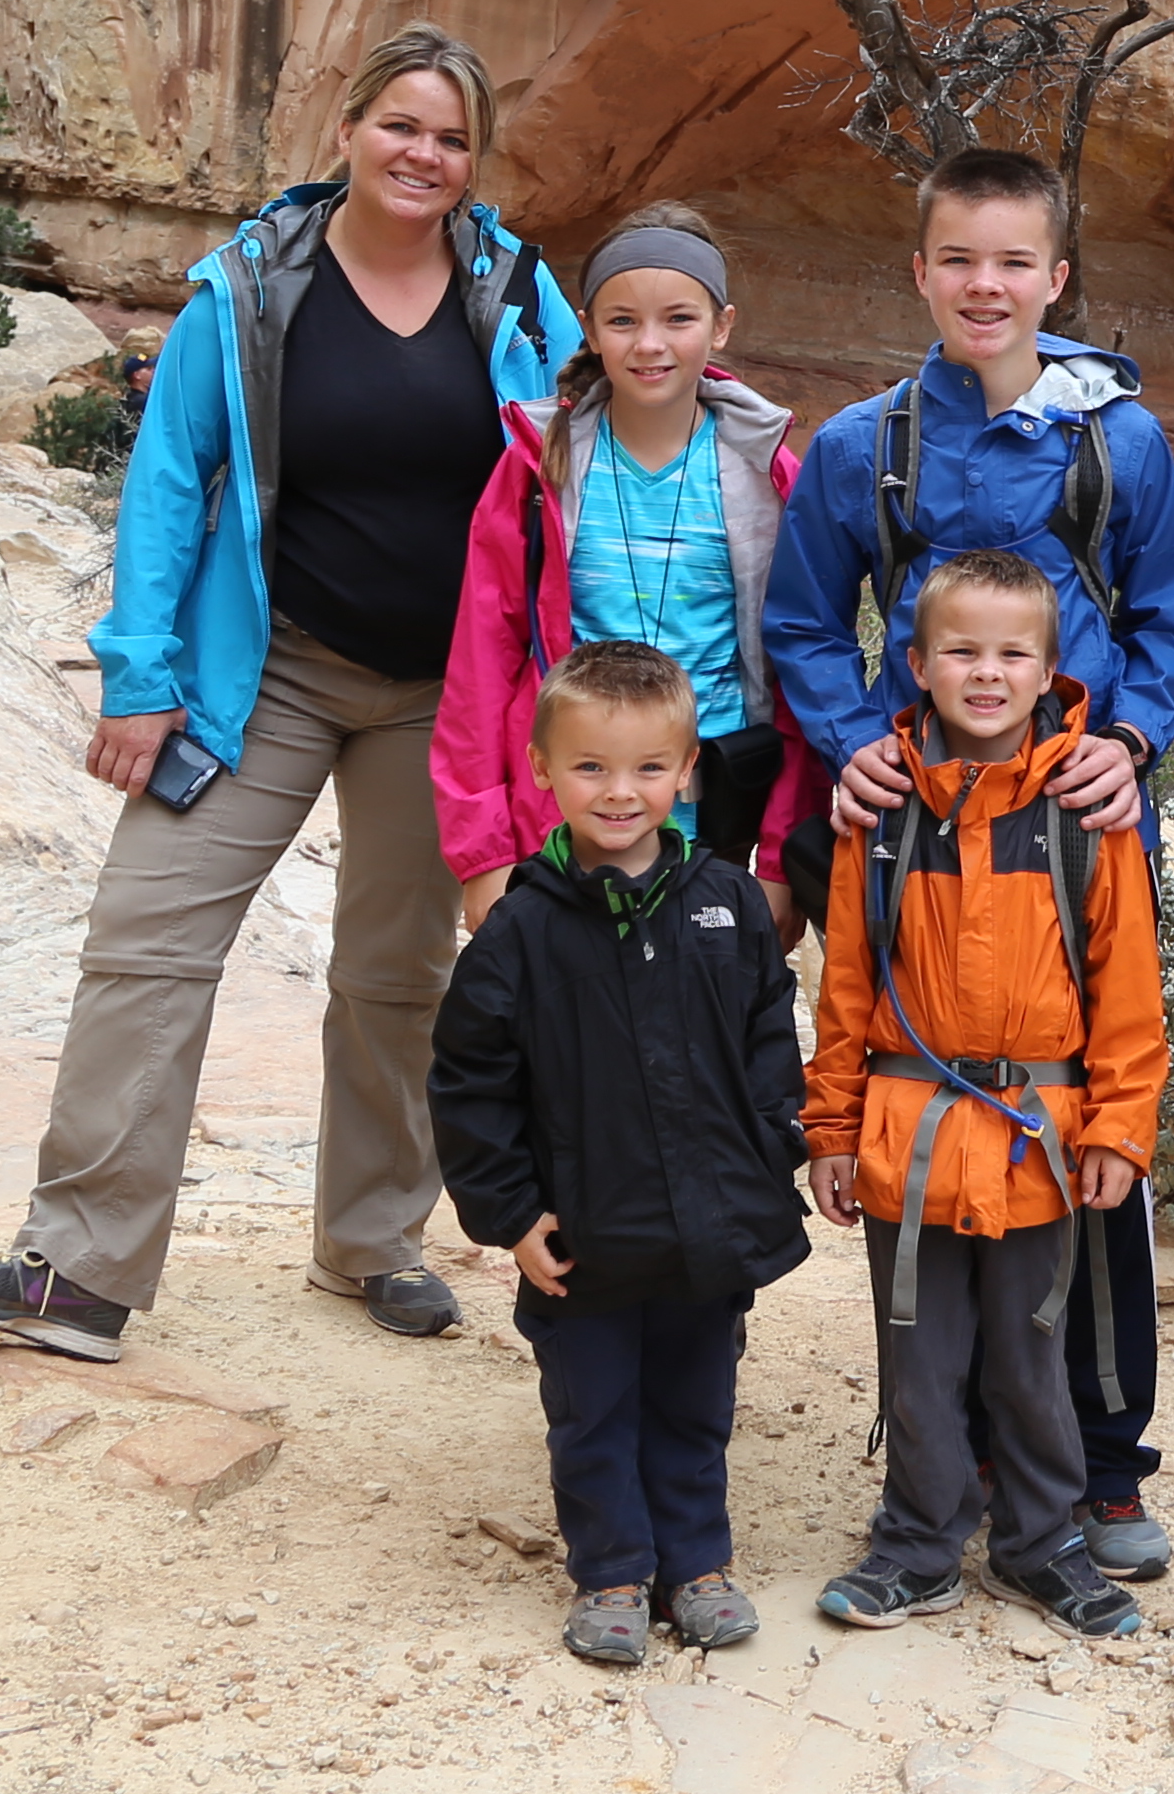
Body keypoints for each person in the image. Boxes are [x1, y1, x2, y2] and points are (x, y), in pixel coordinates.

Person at [0, 24, 576, 1362]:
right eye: (401, 125)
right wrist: (139, 679)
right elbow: (169, 482)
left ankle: (371, 1242)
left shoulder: (514, 292)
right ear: (349, 128)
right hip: (258, 676)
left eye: (451, 137)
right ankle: (80, 1273)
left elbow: (580, 464)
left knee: (401, 974)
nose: (423, 155)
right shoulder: (256, 283)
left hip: (442, 694)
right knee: (148, 938)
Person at [779, 145, 1174, 1577]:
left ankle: (1097, 1468)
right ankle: (943, 1471)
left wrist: (1132, 743)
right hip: (914, 827)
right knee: (925, 1101)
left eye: (1013, 262)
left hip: (1073, 815)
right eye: (959, 258)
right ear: (921, 271)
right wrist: (855, 741)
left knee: (1086, 1136)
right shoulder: (869, 446)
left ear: (1057, 279)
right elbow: (801, 620)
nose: (986, 285)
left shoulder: (1113, 445)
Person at [802, 552, 1167, 1643]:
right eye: (961, 650)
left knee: (1030, 1348)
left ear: (1052, 669)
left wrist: (1120, 1126)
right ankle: (916, 1542)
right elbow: (846, 984)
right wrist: (828, 1126)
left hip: (1037, 1142)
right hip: (905, 1137)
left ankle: (1042, 1540)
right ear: (914, 664)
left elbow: (1128, 991)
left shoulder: (1082, 816)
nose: (988, 673)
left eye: (1014, 653)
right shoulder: (881, 813)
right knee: (919, 1350)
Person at [427, 641, 810, 1667]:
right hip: (583, 1236)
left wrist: (771, 1153)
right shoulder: (520, 929)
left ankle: (698, 1564)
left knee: (695, 1400)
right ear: (543, 768)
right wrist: (508, 1216)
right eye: (591, 766)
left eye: (648, 768)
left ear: (686, 771)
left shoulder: (724, 904)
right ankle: (611, 1572)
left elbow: (769, 1040)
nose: (620, 791)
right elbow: (469, 1082)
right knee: (593, 1408)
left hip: (706, 1227)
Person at [434, 205, 804, 918]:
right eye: (624, 320)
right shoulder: (538, 468)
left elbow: (794, 667)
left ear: (721, 325)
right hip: (563, 820)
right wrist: (484, 856)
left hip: (713, 828)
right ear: (590, 327)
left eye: (679, 319)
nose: (650, 344)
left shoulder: (767, 473)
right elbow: (482, 663)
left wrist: (781, 859)